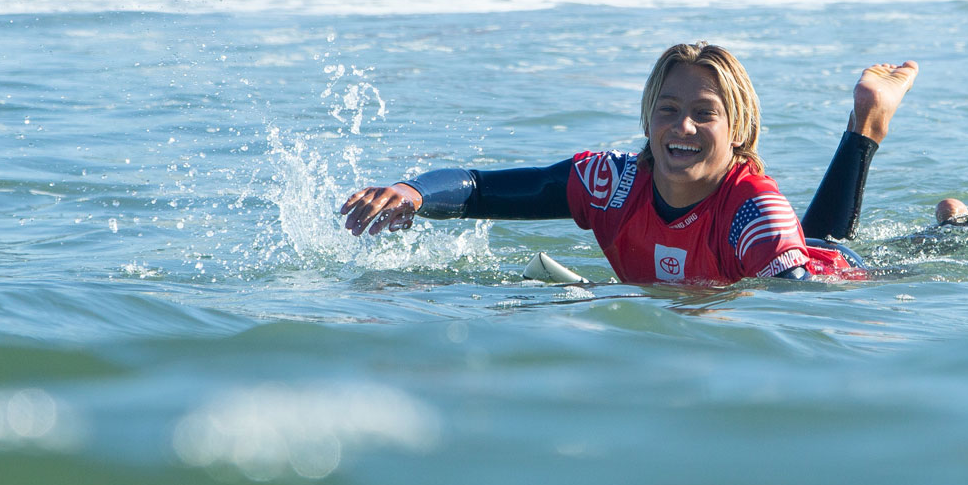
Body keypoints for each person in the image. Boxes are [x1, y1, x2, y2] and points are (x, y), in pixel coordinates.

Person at [341, 44, 919, 286]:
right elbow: (485, 190)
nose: (682, 128)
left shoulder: (755, 212)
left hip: (837, 271)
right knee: (816, 234)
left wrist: (710, 299)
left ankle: (875, 135)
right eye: (667, 110)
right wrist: (412, 192)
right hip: (780, 250)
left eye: (704, 114)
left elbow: (801, 309)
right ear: (647, 120)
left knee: (837, 245)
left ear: (738, 130)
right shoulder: (613, 184)